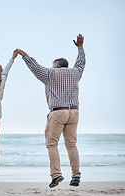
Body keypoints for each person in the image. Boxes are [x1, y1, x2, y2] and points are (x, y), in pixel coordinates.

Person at [14, 34, 85, 188]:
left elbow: (35, 67)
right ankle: (76, 175)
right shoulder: (75, 73)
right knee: (71, 144)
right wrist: (80, 48)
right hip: (74, 112)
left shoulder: (50, 74)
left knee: (52, 144)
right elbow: (81, 63)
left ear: (56, 66)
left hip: (58, 112)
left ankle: (56, 175)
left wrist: (23, 54)